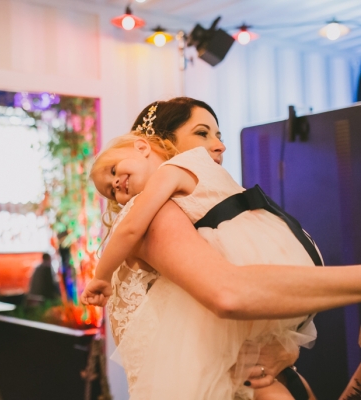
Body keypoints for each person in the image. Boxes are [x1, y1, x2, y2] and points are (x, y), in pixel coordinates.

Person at [82, 99, 318, 399]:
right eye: (202, 133)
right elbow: (226, 295)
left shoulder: (201, 210)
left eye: (218, 135)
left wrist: (284, 350)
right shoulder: (155, 213)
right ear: (160, 143)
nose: (219, 146)